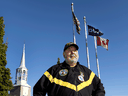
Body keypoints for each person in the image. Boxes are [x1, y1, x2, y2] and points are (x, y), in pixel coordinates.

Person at [33, 42, 105, 96]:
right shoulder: (53, 70)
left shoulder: (87, 72)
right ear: (64, 54)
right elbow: (38, 90)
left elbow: (99, 87)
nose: (73, 52)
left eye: (75, 50)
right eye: (69, 50)